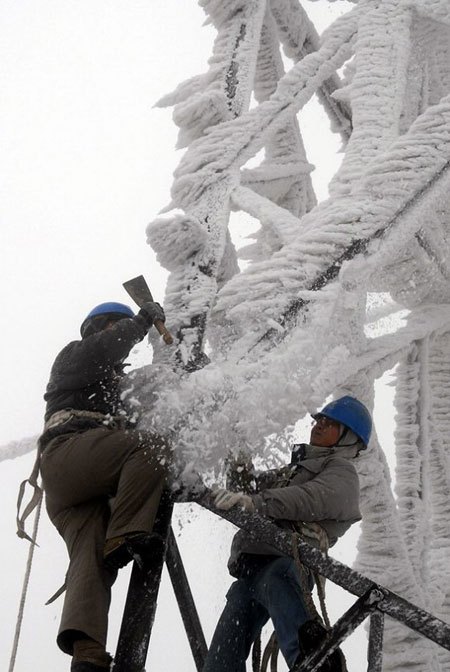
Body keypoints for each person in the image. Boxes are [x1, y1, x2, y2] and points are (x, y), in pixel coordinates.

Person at [39, 300, 172, 672]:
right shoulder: (75, 356)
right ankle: (126, 533)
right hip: (68, 455)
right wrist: (142, 321)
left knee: (90, 560)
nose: (121, 332)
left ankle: (88, 654)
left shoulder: (117, 387)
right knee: (150, 445)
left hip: (76, 485)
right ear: (96, 328)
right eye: (115, 326)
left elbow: (157, 390)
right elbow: (108, 347)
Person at [205, 395, 372, 672]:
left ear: (348, 438)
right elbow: (249, 492)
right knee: (224, 653)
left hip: (287, 564)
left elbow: (310, 498)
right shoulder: (295, 470)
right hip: (254, 570)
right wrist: (237, 451)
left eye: (330, 422)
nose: (319, 424)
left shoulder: (342, 472)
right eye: (319, 419)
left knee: (278, 578)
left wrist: (257, 502)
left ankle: (315, 662)